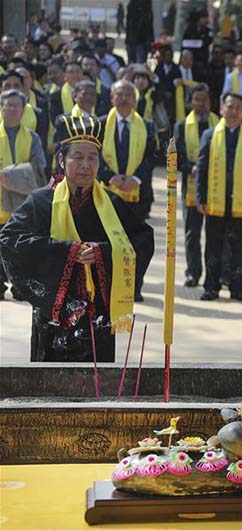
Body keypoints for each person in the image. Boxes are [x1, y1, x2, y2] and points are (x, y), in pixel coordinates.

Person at [0, 115, 153, 361]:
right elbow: (10, 240)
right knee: (51, 377)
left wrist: (103, 253)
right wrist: (67, 251)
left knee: (97, 377)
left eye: (92, 157)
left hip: (97, 315)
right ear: (62, 160)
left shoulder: (111, 204)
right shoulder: (42, 201)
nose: (85, 165)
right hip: (53, 315)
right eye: (78, 157)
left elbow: (142, 240)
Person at [196, 93, 242, 301]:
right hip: (215, 199)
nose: (233, 111)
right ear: (221, 109)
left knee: (238, 247)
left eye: (238, 108)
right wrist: (200, 197)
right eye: (229, 106)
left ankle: (237, 286)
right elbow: (202, 168)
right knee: (213, 245)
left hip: (240, 201)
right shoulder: (209, 135)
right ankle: (211, 286)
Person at [0, 89, 47, 298]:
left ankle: (20, 287)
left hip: (22, 202)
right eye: (7, 105)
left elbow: (39, 167)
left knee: (19, 248)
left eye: (15, 106)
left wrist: (12, 177)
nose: (11, 109)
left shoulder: (32, 138)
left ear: (23, 110)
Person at [173, 83, 218, 287]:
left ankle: (215, 274)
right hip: (192, 184)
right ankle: (193, 272)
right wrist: (190, 168)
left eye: (205, 100)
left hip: (216, 185)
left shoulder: (218, 123)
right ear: (190, 102)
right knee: (192, 233)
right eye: (197, 100)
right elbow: (177, 157)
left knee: (215, 233)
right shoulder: (182, 125)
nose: (201, 104)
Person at [97, 80, 157, 228]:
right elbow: (95, 154)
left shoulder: (147, 126)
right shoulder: (100, 124)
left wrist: (136, 178)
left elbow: (151, 157)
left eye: (129, 94)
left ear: (135, 100)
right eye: (119, 94)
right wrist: (110, 177)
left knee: (134, 236)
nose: (124, 98)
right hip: (106, 189)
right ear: (112, 98)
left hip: (137, 193)